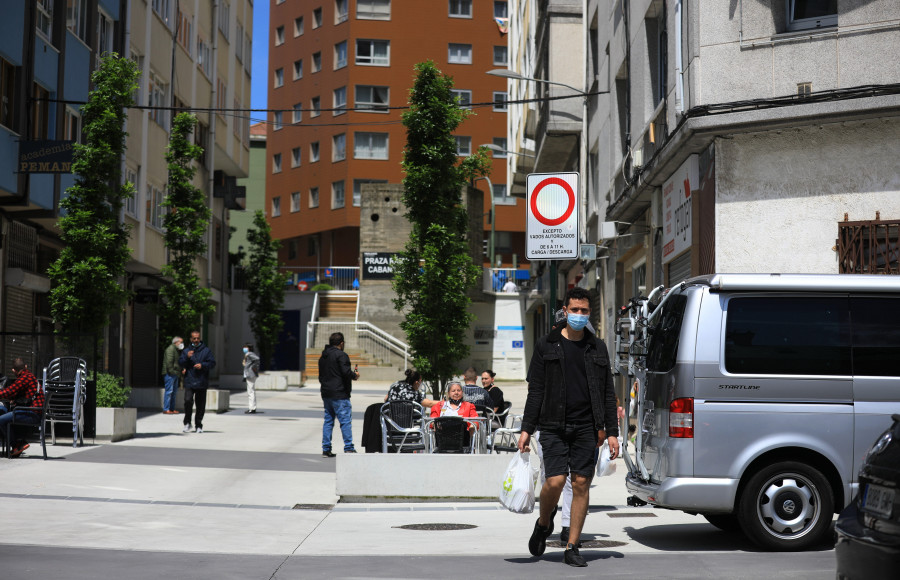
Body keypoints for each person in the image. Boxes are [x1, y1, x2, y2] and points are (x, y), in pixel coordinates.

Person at [518, 286, 619, 568]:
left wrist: (612, 431)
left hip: (587, 426)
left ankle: (572, 546)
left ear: (589, 314)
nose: (578, 315)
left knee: (581, 484)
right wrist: (527, 428)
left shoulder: (597, 347)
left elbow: (607, 392)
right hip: (552, 425)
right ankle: (543, 522)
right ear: (565, 311)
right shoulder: (546, 345)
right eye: (574, 310)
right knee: (555, 481)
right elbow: (536, 390)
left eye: (584, 311)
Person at [319, 332, 359, 457]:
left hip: (326, 392)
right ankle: (348, 447)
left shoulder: (323, 356)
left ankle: (326, 448)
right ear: (341, 343)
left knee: (328, 421)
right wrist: (355, 375)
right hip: (340, 393)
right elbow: (346, 372)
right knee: (345, 421)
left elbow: (321, 376)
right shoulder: (341, 355)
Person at [0, 358, 44, 458]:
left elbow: (8, 391)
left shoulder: (24, 378)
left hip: (33, 414)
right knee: (5, 417)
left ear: (13, 370)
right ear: (25, 366)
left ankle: (16, 445)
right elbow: (15, 393)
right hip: (35, 412)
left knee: (1, 420)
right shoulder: (29, 376)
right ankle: (19, 442)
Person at [179, 330, 216, 434]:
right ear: (191, 339)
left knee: (200, 405)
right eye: (194, 338)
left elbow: (212, 363)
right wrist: (187, 357)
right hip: (189, 380)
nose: (196, 340)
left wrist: (202, 365)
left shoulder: (206, 351)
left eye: (197, 338)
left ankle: (198, 425)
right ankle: (187, 423)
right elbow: (180, 362)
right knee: (187, 401)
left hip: (201, 381)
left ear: (200, 339)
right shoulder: (186, 351)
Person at [161, 336, 183, 414]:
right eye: (181, 342)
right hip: (170, 374)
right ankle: (166, 409)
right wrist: (172, 372)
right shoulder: (170, 349)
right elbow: (169, 363)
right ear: (176, 342)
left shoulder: (176, 350)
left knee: (173, 392)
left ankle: (172, 409)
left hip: (174, 373)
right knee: (169, 391)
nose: (181, 344)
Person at [242, 343, 261, 414]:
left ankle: (252, 408)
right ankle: (252, 407)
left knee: (250, 391)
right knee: (251, 391)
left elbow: (257, 359)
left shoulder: (249, 354)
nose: (244, 349)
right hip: (250, 374)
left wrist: (252, 367)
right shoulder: (249, 354)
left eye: (245, 347)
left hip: (250, 374)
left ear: (249, 348)